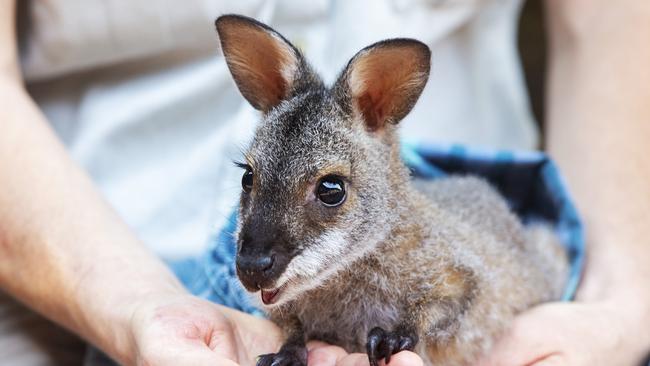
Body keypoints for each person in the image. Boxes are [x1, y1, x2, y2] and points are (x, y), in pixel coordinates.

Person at [0, 0, 648, 365]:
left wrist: (620, 305)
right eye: (249, 181)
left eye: (328, 192)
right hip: (84, 268)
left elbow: (608, 21)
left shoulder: (404, 223)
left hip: (475, 217)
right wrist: (135, 310)